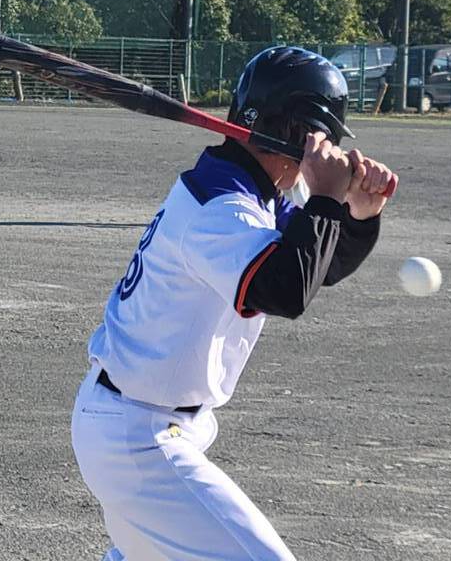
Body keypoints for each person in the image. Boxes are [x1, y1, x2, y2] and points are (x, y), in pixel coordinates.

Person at [70, 46, 397, 560]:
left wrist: (357, 212)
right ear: (295, 133)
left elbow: (317, 267)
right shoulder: (220, 207)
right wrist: (327, 199)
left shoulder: (252, 194)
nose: (329, 151)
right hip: (138, 439)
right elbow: (284, 290)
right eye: (325, 138)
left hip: (156, 425)